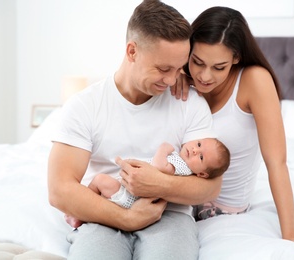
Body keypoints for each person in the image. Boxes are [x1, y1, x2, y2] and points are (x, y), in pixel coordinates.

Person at [47, 1, 221, 259]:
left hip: (170, 215)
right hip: (102, 210)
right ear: (132, 51)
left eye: (178, 68)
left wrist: (159, 183)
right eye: (163, 69)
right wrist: (127, 218)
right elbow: (59, 189)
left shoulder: (190, 104)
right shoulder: (85, 105)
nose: (173, 80)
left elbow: (209, 187)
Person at [168, 6, 294, 260]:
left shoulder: (254, 81)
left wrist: (290, 237)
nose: (204, 75)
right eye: (197, 61)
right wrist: (176, 73)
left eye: (219, 67)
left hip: (221, 211)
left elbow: (276, 162)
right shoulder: (181, 78)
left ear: (236, 58)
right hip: (178, 195)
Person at [65, 138, 230, 228]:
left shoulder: (182, 167)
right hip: (131, 195)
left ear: (201, 173)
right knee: (101, 187)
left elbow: (159, 166)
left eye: (200, 157)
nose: (195, 150)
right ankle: (83, 214)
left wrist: (163, 149)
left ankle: (78, 214)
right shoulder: (182, 163)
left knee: (99, 180)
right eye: (198, 144)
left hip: (130, 198)